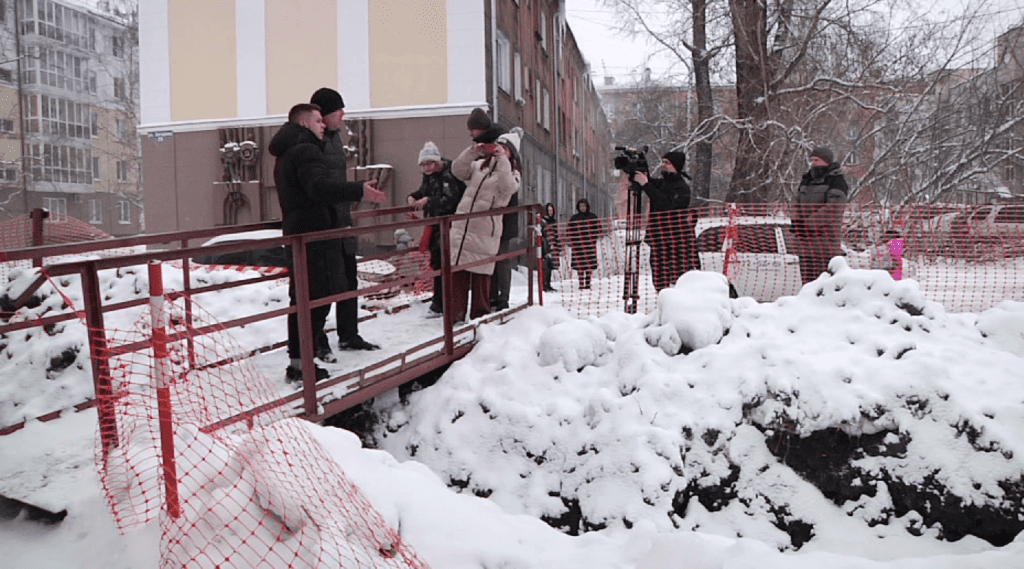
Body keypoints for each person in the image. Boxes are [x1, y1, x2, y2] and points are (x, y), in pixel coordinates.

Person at [268, 103, 386, 383]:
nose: (323, 126)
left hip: (299, 235)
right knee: (317, 301)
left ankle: (299, 365)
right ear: (306, 123)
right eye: (319, 121)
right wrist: (357, 190)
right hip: (314, 236)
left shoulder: (285, 151)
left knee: (302, 302)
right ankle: (303, 367)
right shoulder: (306, 149)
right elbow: (318, 188)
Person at [309, 87, 381, 355]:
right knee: (325, 285)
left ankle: (349, 334)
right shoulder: (313, 142)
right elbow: (322, 186)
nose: (343, 113)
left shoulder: (335, 139)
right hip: (325, 225)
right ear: (324, 113)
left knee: (349, 280)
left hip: (343, 221)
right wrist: (356, 190)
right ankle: (317, 340)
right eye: (338, 109)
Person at [449, 129, 522, 322]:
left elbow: (507, 189)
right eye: (498, 145)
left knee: (481, 277)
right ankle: (454, 319)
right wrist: (473, 151)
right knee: (458, 275)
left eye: (505, 149)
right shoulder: (479, 166)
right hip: (463, 228)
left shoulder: (513, 174)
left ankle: (479, 320)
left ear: (512, 155)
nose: (499, 150)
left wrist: (503, 162)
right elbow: (457, 170)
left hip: (484, 233)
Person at [465, 109, 520, 312]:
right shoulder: (486, 150)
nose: (471, 135)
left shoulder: (506, 150)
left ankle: (501, 299)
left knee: (501, 259)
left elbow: (509, 184)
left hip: (502, 215)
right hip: (490, 215)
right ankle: (491, 298)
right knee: (490, 259)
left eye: (473, 130)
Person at [407, 140, 466, 317]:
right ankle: (440, 302)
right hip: (435, 225)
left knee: (444, 263)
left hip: (448, 226)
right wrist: (412, 196)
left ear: (436, 162)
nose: (426, 167)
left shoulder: (449, 174)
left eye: (429, 163)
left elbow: (451, 200)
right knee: (437, 263)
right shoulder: (430, 176)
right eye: (423, 164)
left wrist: (428, 201)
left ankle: (443, 304)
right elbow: (423, 191)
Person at [632, 150, 694, 291]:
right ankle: (662, 301)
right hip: (658, 240)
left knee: (675, 280)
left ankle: (677, 307)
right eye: (662, 161)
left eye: (667, 162)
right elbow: (647, 181)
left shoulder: (681, 187)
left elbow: (666, 205)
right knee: (659, 279)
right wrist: (639, 163)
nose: (663, 165)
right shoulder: (662, 183)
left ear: (676, 166)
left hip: (674, 242)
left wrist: (646, 185)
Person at [792, 146, 849, 284]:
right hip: (805, 244)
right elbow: (795, 202)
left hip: (826, 243)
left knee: (825, 285)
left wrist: (808, 224)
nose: (813, 163)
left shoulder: (837, 181)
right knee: (807, 284)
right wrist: (797, 222)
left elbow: (834, 209)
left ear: (826, 161)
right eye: (811, 160)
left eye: (817, 160)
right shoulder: (806, 180)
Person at [567, 198, 600, 290]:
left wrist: (593, 239)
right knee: (580, 265)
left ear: (587, 206)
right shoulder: (574, 218)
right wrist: (573, 240)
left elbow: (597, 229)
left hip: (589, 245)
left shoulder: (592, 217)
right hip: (578, 246)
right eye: (580, 206)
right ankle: (581, 283)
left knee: (588, 264)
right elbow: (569, 231)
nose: (582, 208)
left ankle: (588, 283)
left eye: (584, 206)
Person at [541, 203, 562, 292]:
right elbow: (543, 235)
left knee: (550, 266)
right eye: (549, 210)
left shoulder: (553, 221)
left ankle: (548, 284)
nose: (550, 212)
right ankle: (544, 285)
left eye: (552, 210)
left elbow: (556, 234)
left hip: (552, 246)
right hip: (545, 246)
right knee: (545, 266)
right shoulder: (543, 222)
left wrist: (558, 246)